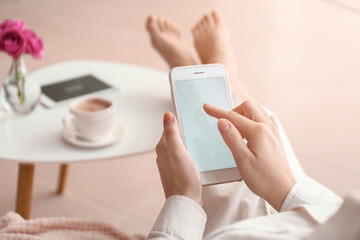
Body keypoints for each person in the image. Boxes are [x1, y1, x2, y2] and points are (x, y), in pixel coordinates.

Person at [145, 11, 358, 240]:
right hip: (314, 218)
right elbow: (342, 222)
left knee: (224, 180)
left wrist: (184, 198)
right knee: (259, 131)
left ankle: (203, 74)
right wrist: (285, 188)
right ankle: (219, 74)